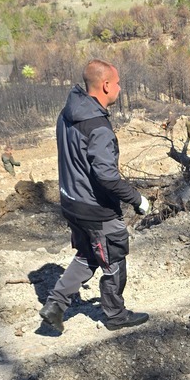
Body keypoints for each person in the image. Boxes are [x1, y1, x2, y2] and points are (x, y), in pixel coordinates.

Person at [39, 59, 151, 333]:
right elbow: (107, 176)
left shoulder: (67, 113)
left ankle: (55, 305)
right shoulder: (97, 126)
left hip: (71, 201)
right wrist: (137, 199)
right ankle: (116, 315)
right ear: (105, 86)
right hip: (95, 207)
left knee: (89, 253)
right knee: (113, 256)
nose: (120, 88)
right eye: (117, 83)